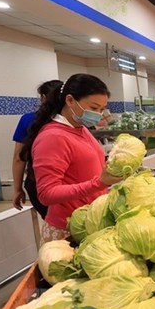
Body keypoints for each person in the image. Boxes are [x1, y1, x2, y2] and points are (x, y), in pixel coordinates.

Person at [20, 74, 123, 243]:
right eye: (94, 108)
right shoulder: (53, 137)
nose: (98, 114)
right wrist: (99, 183)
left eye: (102, 109)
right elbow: (47, 193)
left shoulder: (81, 129)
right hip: (67, 231)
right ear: (70, 100)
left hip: (91, 223)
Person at [12, 80, 62, 217]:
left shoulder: (27, 120)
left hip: (37, 182)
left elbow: (19, 158)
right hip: (67, 183)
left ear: (43, 98)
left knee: (53, 222)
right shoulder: (70, 121)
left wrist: (17, 189)